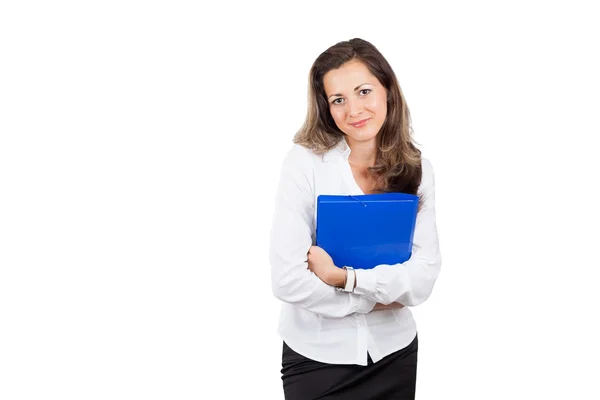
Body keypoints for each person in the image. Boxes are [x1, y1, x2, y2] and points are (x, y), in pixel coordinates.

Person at [269, 38, 441, 400]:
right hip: (317, 358)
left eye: (364, 91)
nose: (354, 110)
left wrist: (341, 278)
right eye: (338, 100)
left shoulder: (418, 169)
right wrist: (380, 295)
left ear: (388, 91)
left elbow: (422, 277)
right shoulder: (304, 164)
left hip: (394, 353)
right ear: (326, 107)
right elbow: (287, 280)